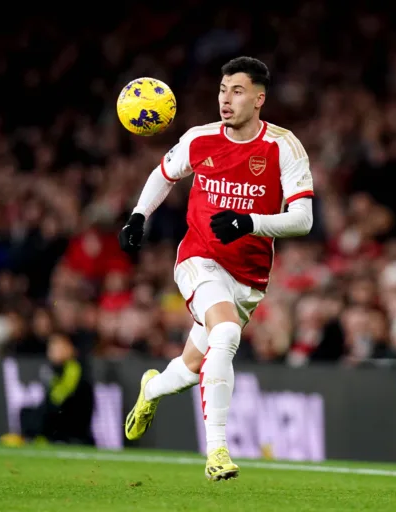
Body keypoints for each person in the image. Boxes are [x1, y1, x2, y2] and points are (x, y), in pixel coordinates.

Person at [118, 56, 314, 480]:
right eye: (223, 90)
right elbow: (164, 174)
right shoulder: (199, 139)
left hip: (248, 278)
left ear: (259, 99)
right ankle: (217, 451)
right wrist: (138, 216)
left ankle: (151, 388)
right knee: (225, 333)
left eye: (237, 91)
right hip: (198, 260)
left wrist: (250, 223)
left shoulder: (283, 146)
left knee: (193, 367)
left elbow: (303, 219)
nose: (226, 99)